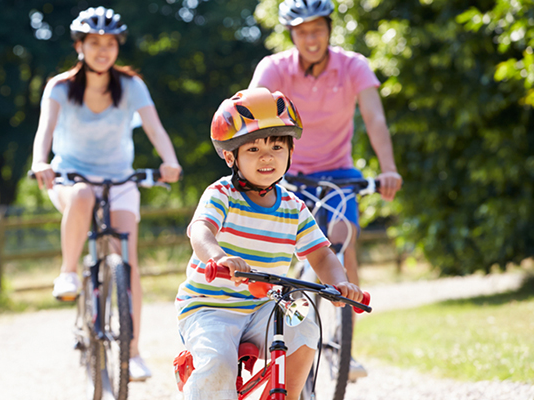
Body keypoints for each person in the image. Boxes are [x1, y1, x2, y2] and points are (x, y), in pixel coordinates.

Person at [175, 87, 364, 400]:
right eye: (253, 150)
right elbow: (200, 231)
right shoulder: (222, 194)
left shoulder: (293, 206)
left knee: (305, 331)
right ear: (230, 156)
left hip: (265, 305)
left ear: (290, 151)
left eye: (277, 146)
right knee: (217, 367)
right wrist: (219, 258)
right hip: (210, 307)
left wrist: (340, 283)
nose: (267, 157)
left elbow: (321, 254)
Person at [248, 0, 403, 379]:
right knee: (274, 249)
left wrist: (388, 169)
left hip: (338, 174)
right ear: (291, 35)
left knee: (341, 242)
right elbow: (250, 113)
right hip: (288, 173)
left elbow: (375, 117)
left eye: (317, 29)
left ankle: (341, 346)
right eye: (302, 31)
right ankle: (261, 329)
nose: (311, 38)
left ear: (330, 30)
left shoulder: (353, 66)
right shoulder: (275, 68)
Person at [30, 6, 182, 381]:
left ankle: (132, 352)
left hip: (119, 181)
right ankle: (68, 273)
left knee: (126, 260)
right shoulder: (61, 87)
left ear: (118, 47)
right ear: (80, 46)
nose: (102, 50)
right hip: (70, 177)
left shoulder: (131, 86)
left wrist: (170, 160)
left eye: (110, 43)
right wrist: (40, 161)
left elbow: (155, 128)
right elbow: (44, 131)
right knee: (81, 196)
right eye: (94, 43)